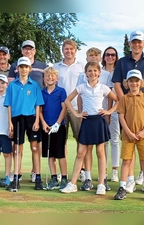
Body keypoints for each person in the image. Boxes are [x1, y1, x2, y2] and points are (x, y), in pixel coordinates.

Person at [112, 30, 144, 193]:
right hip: (126, 108)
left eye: (140, 42)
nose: (137, 45)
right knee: (128, 148)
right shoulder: (122, 62)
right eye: (134, 42)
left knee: (143, 145)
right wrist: (125, 101)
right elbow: (118, 84)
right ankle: (130, 180)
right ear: (130, 44)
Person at [61, 61, 118, 195]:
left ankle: (101, 185)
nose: (92, 73)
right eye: (89, 71)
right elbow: (67, 101)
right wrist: (76, 113)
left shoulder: (103, 88)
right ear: (85, 73)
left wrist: (109, 111)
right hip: (87, 121)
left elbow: (118, 100)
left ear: (99, 73)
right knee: (81, 152)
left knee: (100, 152)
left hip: (99, 121)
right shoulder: (81, 87)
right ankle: (73, 184)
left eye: (95, 71)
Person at [113, 69, 144, 202]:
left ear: (140, 82)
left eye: (136, 81)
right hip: (128, 135)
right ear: (127, 83)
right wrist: (129, 132)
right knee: (126, 161)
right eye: (131, 81)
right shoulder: (124, 99)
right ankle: (122, 187)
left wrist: (143, 131)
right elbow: (121, 116)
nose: (134, 84)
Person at [8, 40, 47, 182]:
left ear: (30, 69)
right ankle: (17, 175)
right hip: (17, 118)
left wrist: (37, 120)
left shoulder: (35, 85)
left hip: (31, 118)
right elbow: (9, 105)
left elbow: (38, 104)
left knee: (35, 148)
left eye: (26, 67)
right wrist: (10, 123)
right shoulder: (12, 85)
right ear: (17, 69)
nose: (24, 69)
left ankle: (37, 176)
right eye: (21, 67)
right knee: (17, 149)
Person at [75, 47, 113, 191]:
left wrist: (108, 113)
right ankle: (88, 178)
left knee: (101, 150)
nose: (93, 58)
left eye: (96, 55)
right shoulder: (82, 76)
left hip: (100, 117)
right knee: (87, 148)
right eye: (90, 56)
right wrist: (79, 113)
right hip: (87, 116)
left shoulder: (106, 74)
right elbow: (79, 96)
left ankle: (103, 180)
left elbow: (111, 96)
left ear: (99, 57)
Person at [53, 39, 85, 182]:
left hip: (77, 108)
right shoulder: (55, 67)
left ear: (75, 50)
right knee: (62, 140)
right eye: (66, 49)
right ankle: (63, 172)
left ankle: (82, 170)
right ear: (62, 50)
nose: (69, 51)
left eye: (71, 49)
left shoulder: (82, 67)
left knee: (81, 139)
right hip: (60, 109)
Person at [39, 67, 68, 191]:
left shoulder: (61, 91)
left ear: (57, 79)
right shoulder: (42, 92)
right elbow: (39, 110)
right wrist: (44, 123)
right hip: (46, 127)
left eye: (52, 76)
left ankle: (65, 178)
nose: (50, 78)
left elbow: (64, 108)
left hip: (59, 127)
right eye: (47, 76)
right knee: (50, 155)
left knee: (60, 154)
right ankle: (54, 178)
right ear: (44, 78)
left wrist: (57, 123)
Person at [101, 46, 121, 183]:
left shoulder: (119, 72)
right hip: (99, 111)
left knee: (114, 140)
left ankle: (115, 170)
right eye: (107, 55)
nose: (110, 57)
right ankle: (104, 171)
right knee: (103, 143)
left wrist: (110, 112)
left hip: (114, 110)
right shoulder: (99, 72)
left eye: (113, 55)